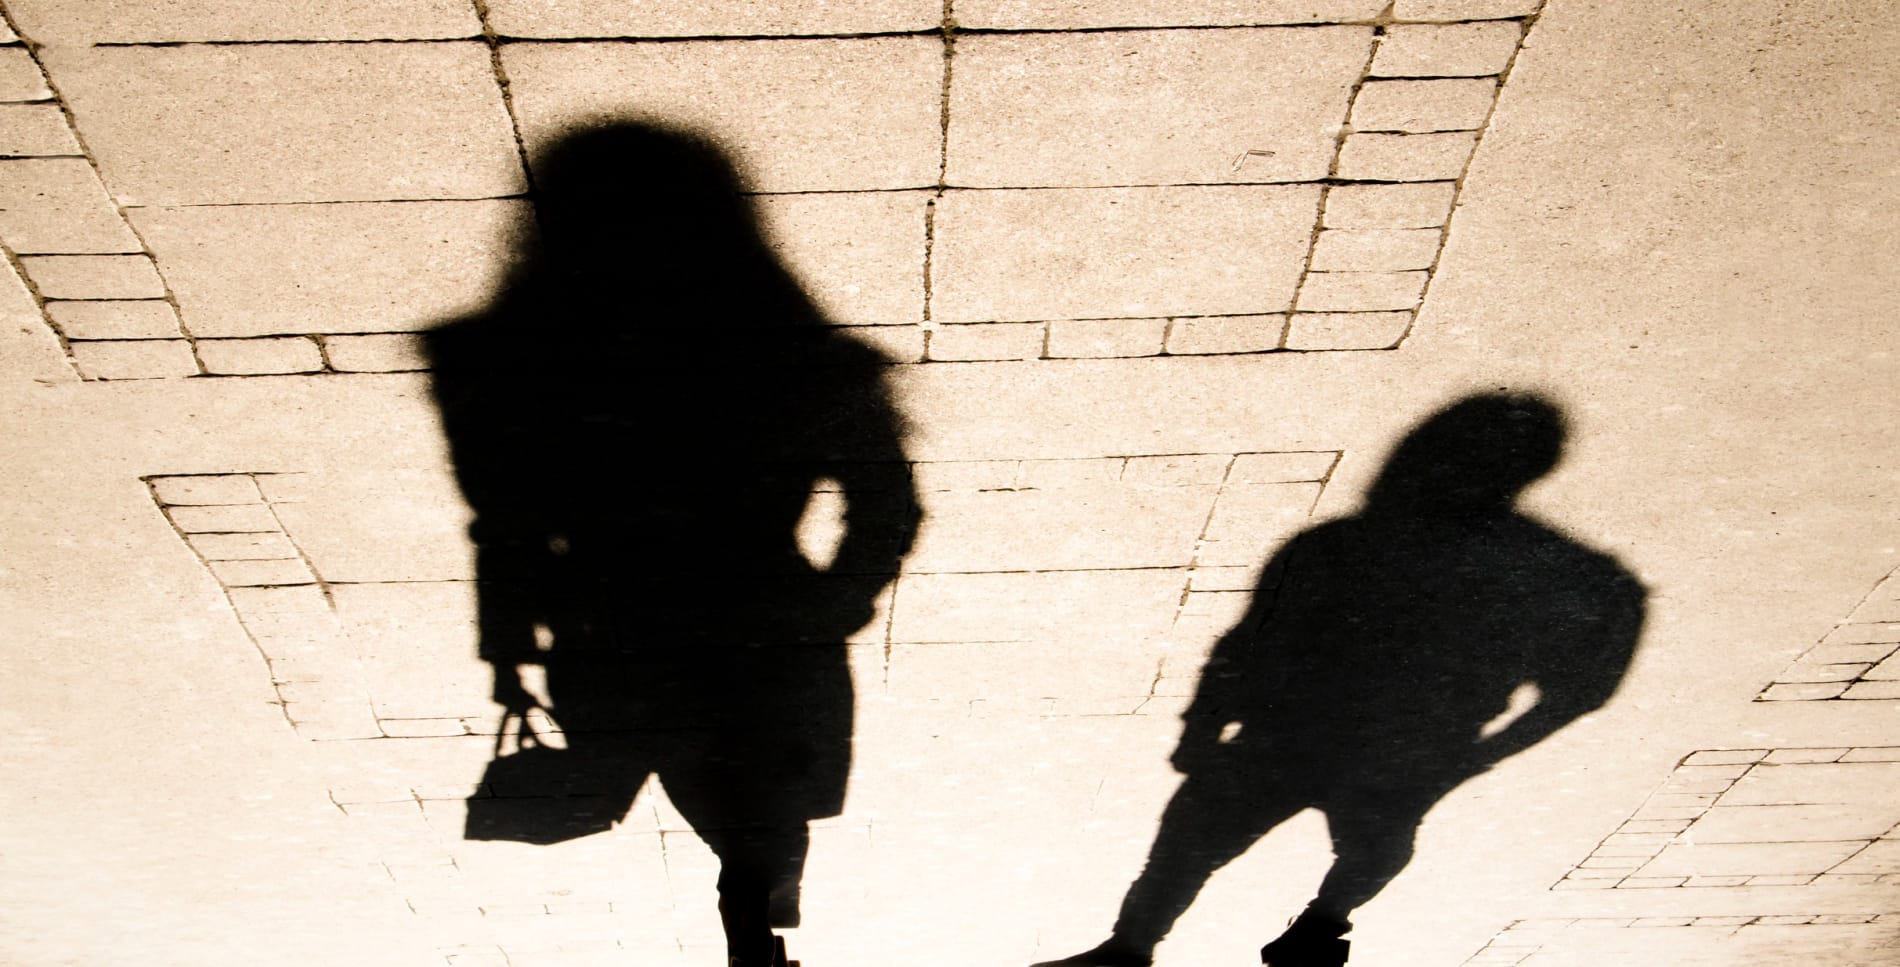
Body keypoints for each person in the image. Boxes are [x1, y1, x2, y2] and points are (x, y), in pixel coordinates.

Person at [427, 120, 921, 967]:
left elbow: (504, 523)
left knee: (688, 772)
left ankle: (754, 908)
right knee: (755, 799)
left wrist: (509, 650)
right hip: (763, 622)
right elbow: (888, 504)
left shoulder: (500, 363)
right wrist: (834, 603)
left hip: (610, 631)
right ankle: (757, 910)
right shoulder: (804, 360)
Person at [1034, 393, 1645, 967]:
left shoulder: (1338, 543)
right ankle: (1320, 927)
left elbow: (1246, 646)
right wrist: (1474, 755)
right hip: (1409, 746)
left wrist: (1203, 725)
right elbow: (1581, 689)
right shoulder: (1564, 573)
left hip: (1289, 733)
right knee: (1373, 846)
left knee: (1191, 842)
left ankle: (1134, 947)